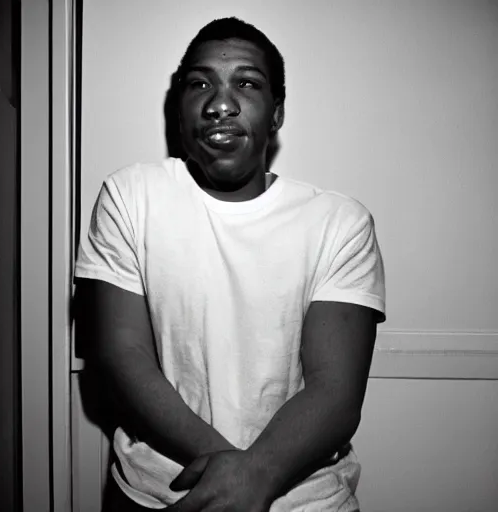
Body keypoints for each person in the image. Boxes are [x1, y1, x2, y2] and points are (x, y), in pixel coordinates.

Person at [74, 16, 385, 512]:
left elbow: (335, 390)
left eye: (246, 83)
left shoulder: (338, 222)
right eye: (200, 84)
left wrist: (258, 474)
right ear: (179, 110)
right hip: (158, 496)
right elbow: (122, 355)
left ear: (277, 112)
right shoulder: (131, 196)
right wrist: (240, 474)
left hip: (303, 501)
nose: (220, 104)